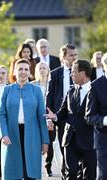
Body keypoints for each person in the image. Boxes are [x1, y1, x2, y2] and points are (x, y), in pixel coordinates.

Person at [0, 58, 49, 180]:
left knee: (30, 172)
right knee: (12, 172)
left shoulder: (36, 90)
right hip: (11, 135)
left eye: (26, 69)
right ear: (15, 72)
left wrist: (45, 141)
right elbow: (1, 114)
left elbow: (41, 117)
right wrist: (3, 134)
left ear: (29, 72)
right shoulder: (7, 90)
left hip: (33, 136)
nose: (23, 72)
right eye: (20, 69)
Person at [47, 60, 97, 180]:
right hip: (70, 140)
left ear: (82, 73)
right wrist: (55, 117)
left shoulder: (96, 91)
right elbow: (62, 113)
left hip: (90, 141)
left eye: (73, 72)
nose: (71, 74)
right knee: (71, 174)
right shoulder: (70, 91)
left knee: (90, 175)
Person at [47, 43, 78, 178]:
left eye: (76, 54)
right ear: (63, 57)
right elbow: (50, 96)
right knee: (64, 148)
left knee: (80, 148)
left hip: (79, 117)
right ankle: (65, 175)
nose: (74, 58)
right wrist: (50, 118)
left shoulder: (83, 71)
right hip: (61, 117)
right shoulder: (55, 74)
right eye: (71, 55)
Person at [85, 52, 107, 180]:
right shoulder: (95, 86)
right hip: (104, 140)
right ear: (105, 66)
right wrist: (105, 120)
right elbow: (89, 116)